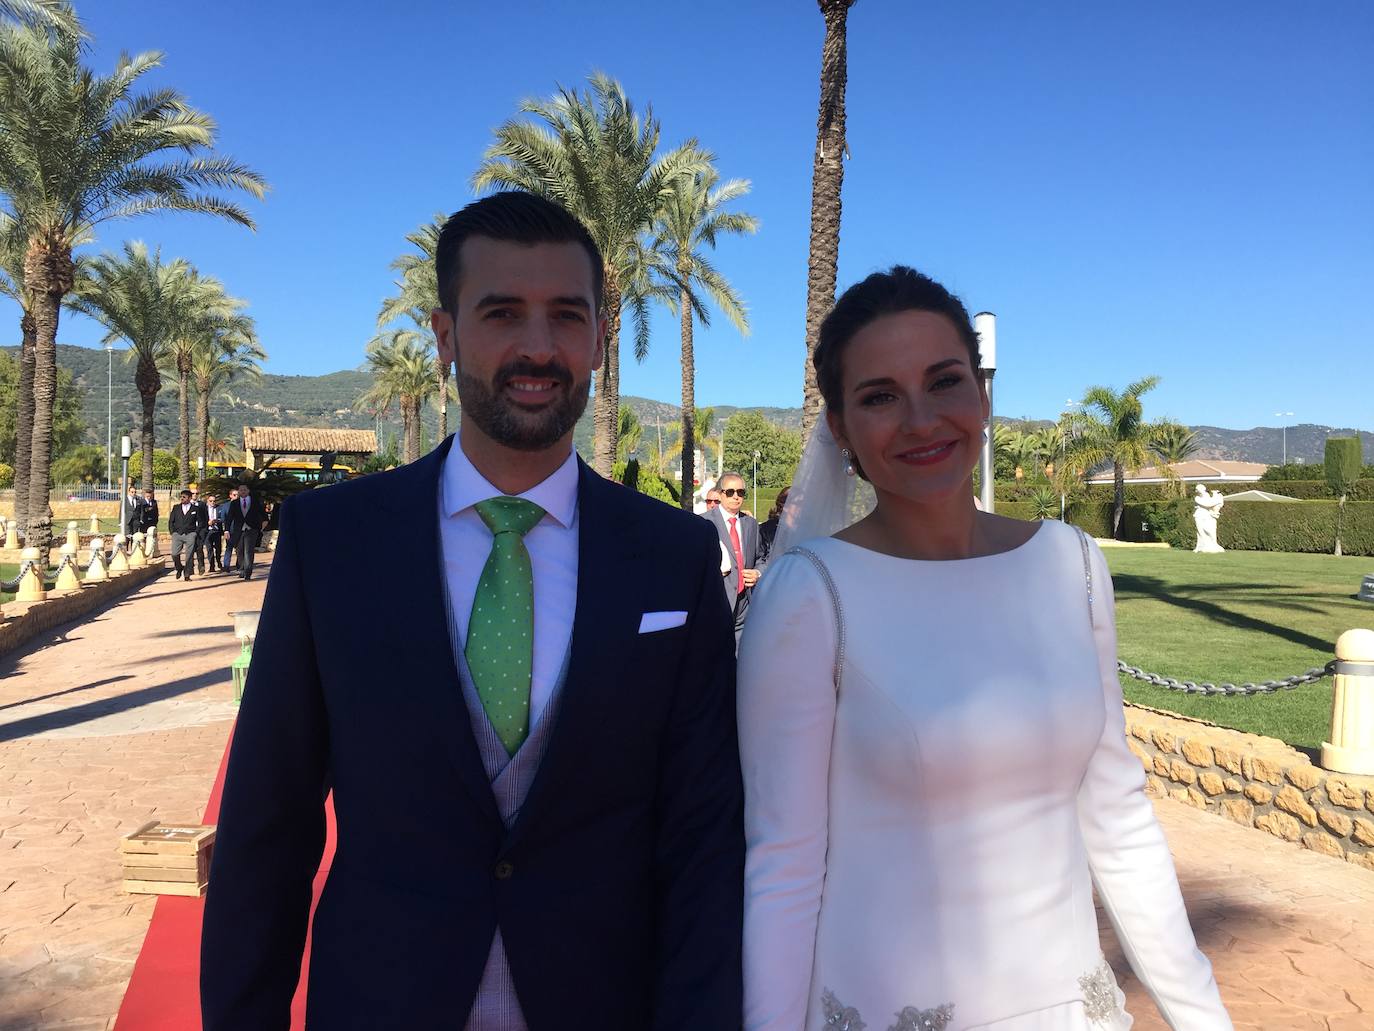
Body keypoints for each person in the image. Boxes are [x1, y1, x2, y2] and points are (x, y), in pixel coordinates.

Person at [201, 191, 743, 1031]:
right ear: (446, 333)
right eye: (501, 313)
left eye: (567, 314)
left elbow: (702, 842)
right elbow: (267, 828)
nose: (538, 346)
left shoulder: (672, 558)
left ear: (601, 334)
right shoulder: (333, 543)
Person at [738, 266, 1232, 1030]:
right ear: (840, 429)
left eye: (945, 382)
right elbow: (785, 866)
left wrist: (1204, 1018)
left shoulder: (1071, 565)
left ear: (984, 395)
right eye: (879, 396)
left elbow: (1119, 818)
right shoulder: (810, 594)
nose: (921, 419)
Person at [705, 471, 762, 638]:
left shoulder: (751, 524)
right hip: (716, 601)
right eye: (730, 492)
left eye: (741, 492)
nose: (736, 496)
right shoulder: (705, 522)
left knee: (739, 658)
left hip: (745, 603)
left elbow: (761, 556)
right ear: (720, 494)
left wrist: (758, 572)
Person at [223, 482, 266, 581]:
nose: (242, 491)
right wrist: (227, 530)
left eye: (244, 490)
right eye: (241, 490)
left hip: (252, 529)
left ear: (248, 491)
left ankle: (248, 572)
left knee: (249, 551)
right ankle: (242, 568)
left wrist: (261, 527)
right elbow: (229, 518)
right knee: (239, 550)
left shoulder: (255, 501)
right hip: (238, 530)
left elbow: (263, 515)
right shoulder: (234, 503)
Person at [167, 488, 205, 581]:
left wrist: (195, 532)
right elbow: (171, 521)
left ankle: (187, 574)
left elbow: (201, 522)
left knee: (189, 555)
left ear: (189, 498)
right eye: (181, 497)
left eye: (184, 497)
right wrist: (172, 532)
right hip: (177, 534)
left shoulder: (195, 509)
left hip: (190, 534)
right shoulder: (176, 508)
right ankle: (179, 567)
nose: (182, 498)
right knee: (174, 554)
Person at [757, 486, 789, 565]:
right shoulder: (764, 530)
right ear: (783, 505)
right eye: (798, 503)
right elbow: (760, 558)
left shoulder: (808, 529)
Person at [218, 488, 238, 572]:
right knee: (229, 548)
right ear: (230, 496)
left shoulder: (241, 504)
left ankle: (239, 565)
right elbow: (223, 518)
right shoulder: (226, 506)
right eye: (234, 495)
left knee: (240, 549)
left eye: (237, 495)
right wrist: (226, 530)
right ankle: (226, 566)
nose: (236, 497)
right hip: (229, 530)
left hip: (240, 530)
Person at [203, 493, 223, 572]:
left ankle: (218, 561)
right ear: (207, 501)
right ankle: (212, 565)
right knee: (209, 549)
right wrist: (207, 522)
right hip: (208, 531)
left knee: (218, 548)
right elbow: (201, 519)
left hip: (217, 531)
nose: (212, 503)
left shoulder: (219, 508)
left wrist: (216, 520)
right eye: (210, 501)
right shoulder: (204, 509)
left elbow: (223, 518)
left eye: (214, 501)